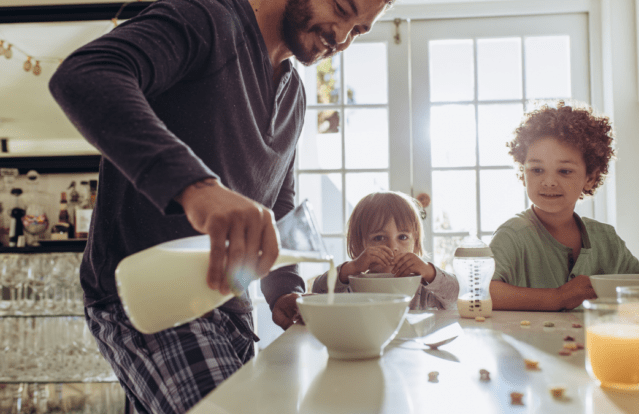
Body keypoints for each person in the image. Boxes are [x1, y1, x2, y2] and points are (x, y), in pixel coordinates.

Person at [49, 0, 393, 412]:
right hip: (151, 298)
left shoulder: (295, 96)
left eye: (357, 30)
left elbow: (277, 199)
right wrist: (197, 187)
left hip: (231, 310)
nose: (340, 37)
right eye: (340, 8)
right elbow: (85, 75)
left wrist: (285, 290)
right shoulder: (205, 20)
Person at [489, 102, 639, 311]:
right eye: (537, 170)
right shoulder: (512, 235)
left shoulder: (606, 239)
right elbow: (483, 292)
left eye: (564, 171)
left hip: (591, 343)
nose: (548, 181)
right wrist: (556, 298)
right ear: (523, 174)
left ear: (590, 178)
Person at [312, 191, 459, 309]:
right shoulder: (352, 284)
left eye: (402, 237)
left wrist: (428, 271)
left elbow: (456, 295)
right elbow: (318, 292)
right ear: (358, 245)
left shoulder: (423, 286)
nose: (392, 247)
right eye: (379, 238)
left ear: (415, 244)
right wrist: (352, 267)